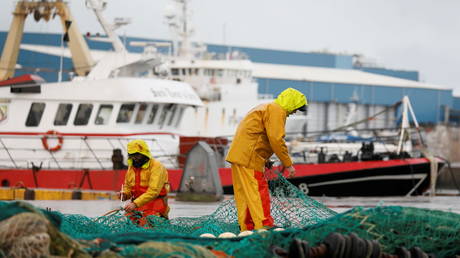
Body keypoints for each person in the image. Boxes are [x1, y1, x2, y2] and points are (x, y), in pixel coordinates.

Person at [226, 87, 307, 231]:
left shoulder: (266, 107)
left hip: (240, 156)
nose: (295, 112)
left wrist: (265, 159)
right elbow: (276, 139)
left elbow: (258, 136)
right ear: (291, 103)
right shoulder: (277, 110)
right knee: (258, 191)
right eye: (297, 108)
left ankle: (247, 228)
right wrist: (288, 164)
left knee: (245, 195)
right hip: (250, 158)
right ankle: (264, 226)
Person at [119, 139, 170, 226]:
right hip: (137, 206)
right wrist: (124, 194)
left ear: (144, 153)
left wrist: (135, 204)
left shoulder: (157, 167)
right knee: (124, 223)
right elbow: (127, 187)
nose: (135, 158)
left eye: (137, 155)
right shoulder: (131, 168)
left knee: (147, 224)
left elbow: (153, 192)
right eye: (132, 155)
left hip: (155, 205)